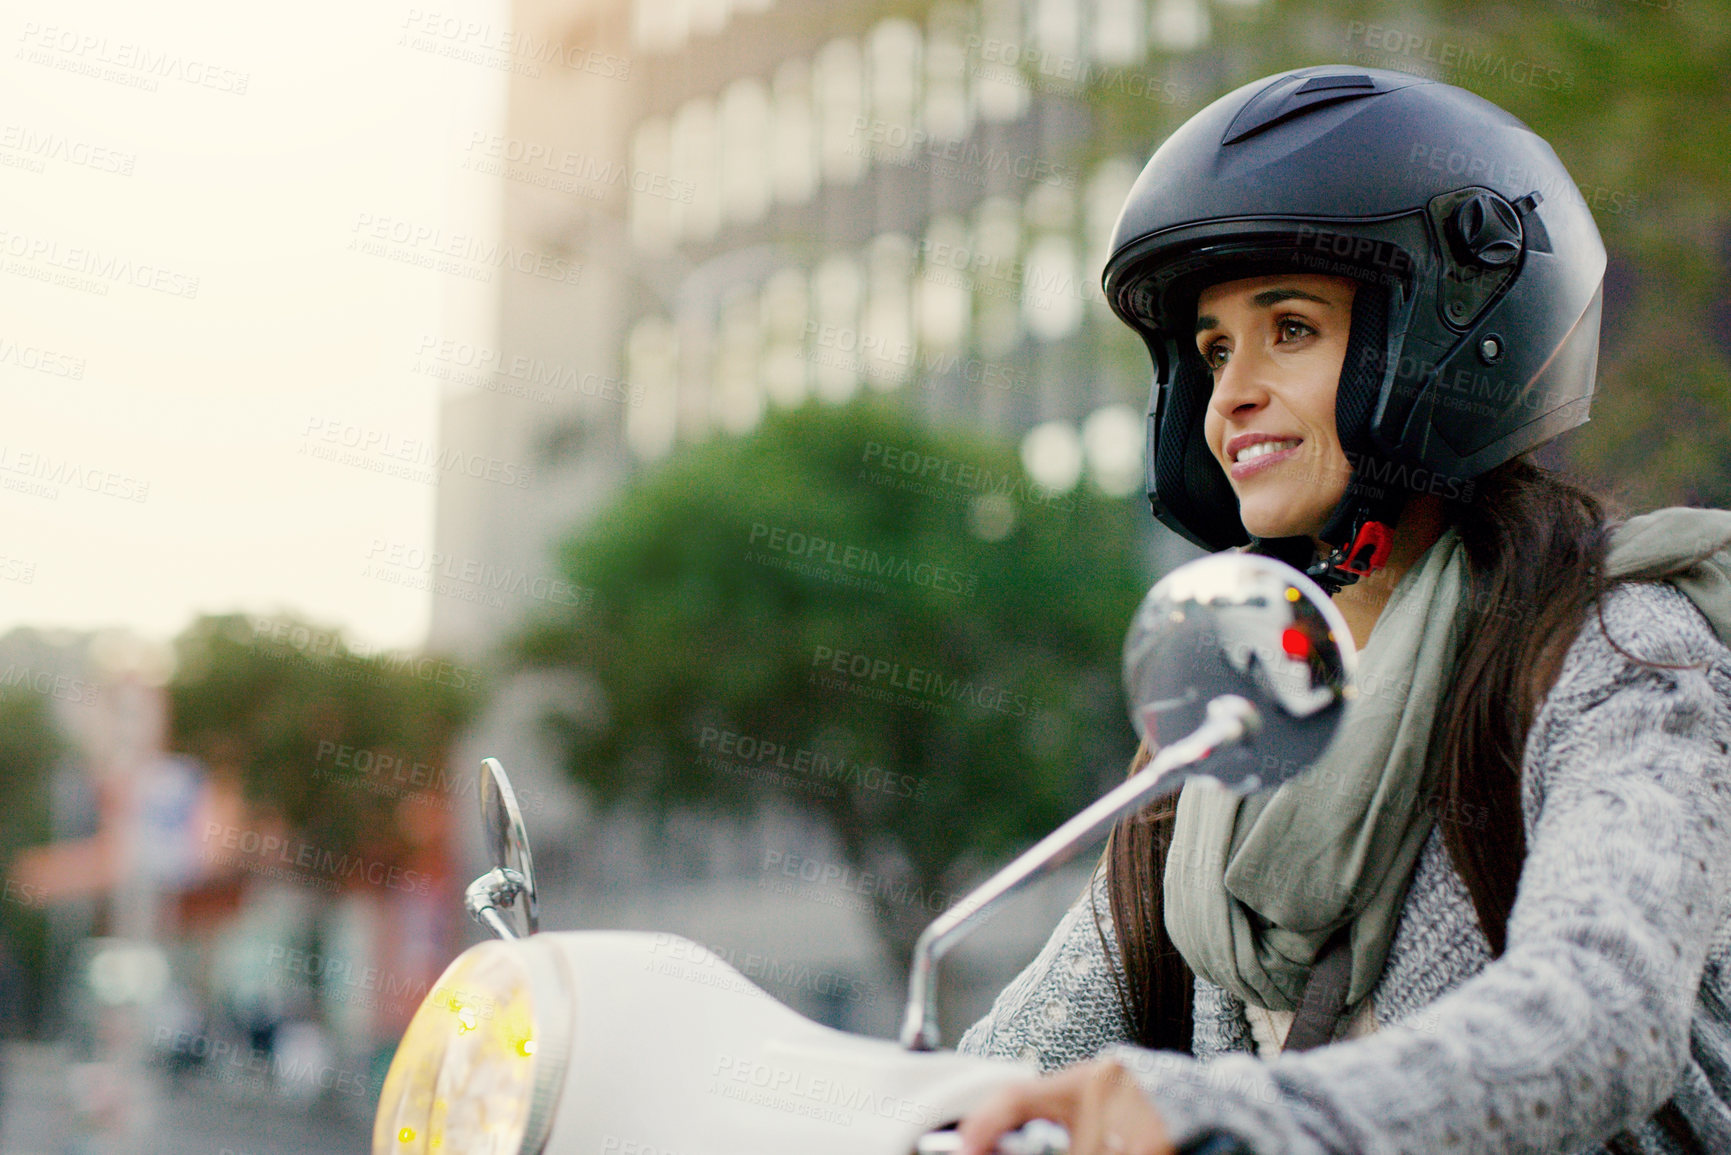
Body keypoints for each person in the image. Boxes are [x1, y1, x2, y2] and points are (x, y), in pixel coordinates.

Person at [951, 65, 1731, 1155]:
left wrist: (1235, 1118)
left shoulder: (1617, 653)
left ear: (1450, 338)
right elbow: (1016, 1060)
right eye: (1214, 349)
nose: (1231, 393)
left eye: (1293, 330)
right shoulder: (1228, 724)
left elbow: (1599, 1018)